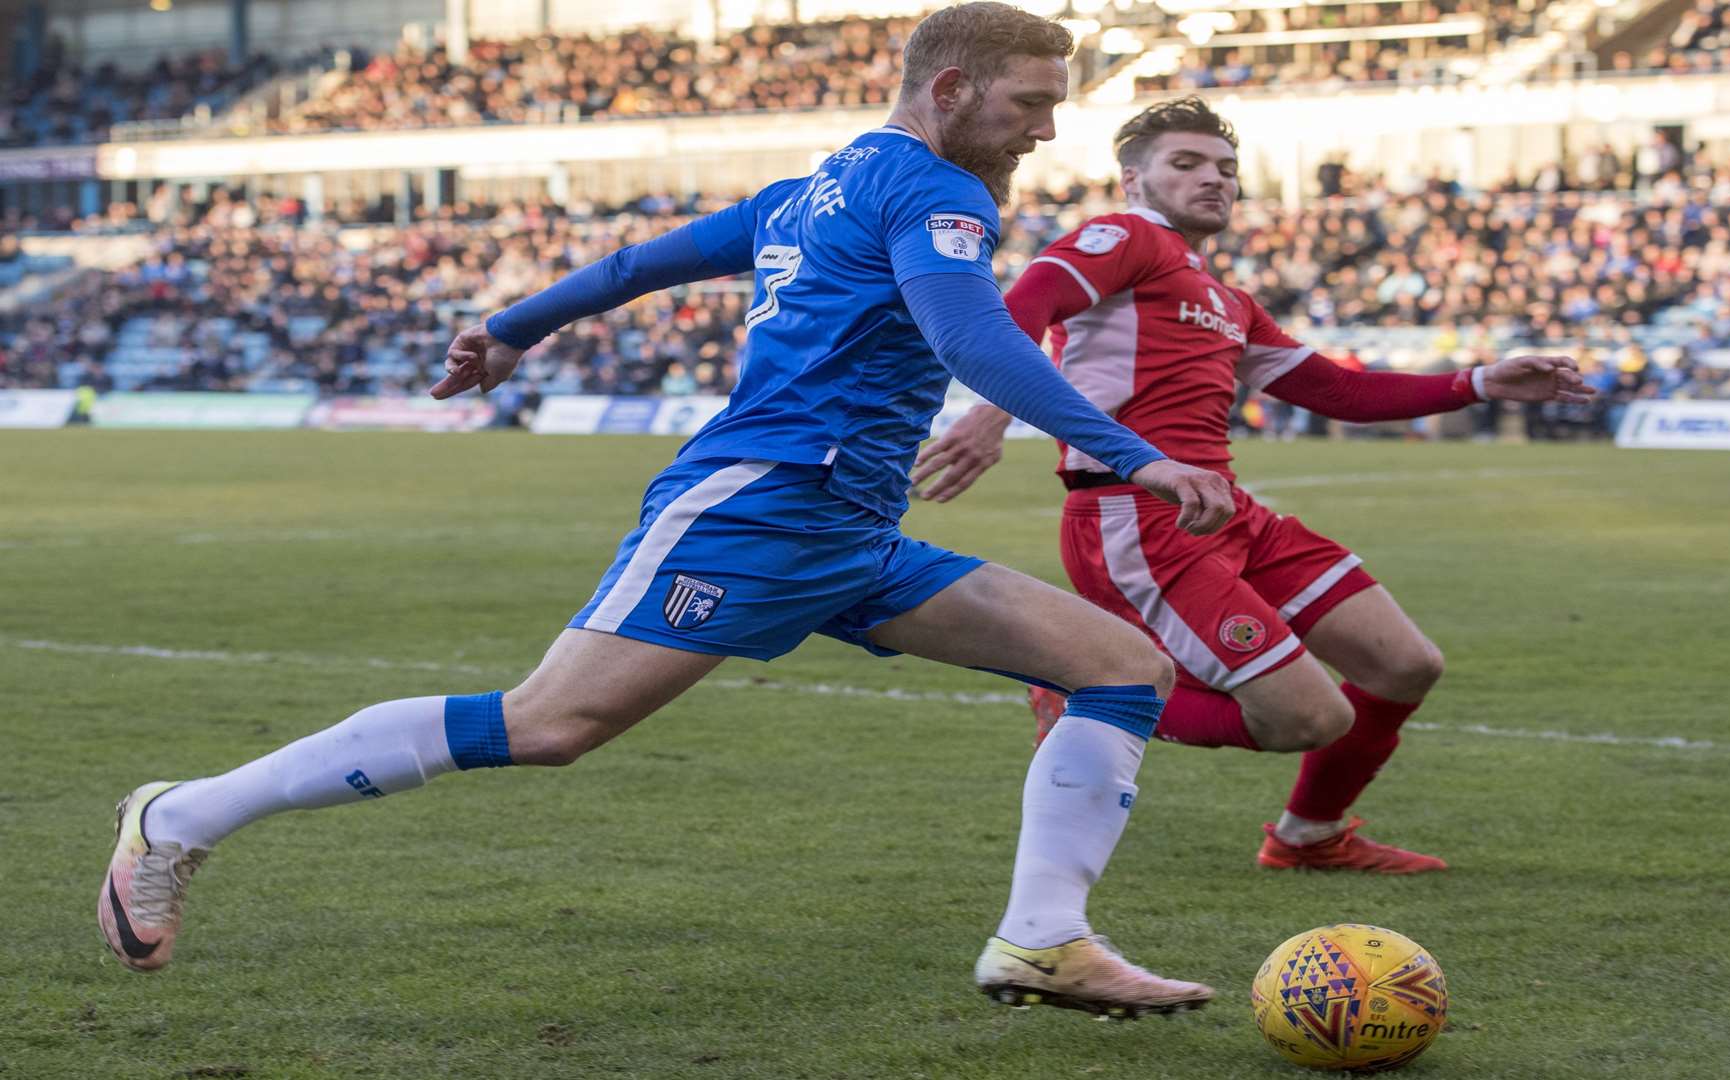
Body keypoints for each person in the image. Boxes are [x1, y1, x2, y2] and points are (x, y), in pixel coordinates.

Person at [97, 4, 1237, 1020]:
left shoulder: (812, 190)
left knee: (1117, 667)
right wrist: (1132, 456)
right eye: (1031, 104)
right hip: (762, 508)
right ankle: (182, 817)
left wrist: (512, 329)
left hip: (845, 529)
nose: (1043, 131)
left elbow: (643, 261)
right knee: (548, 725)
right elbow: (969, 339)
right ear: (949, 90)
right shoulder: (929, 188)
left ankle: (1043, 942)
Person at [912, 97, 1592, 875]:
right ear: (1133, 179)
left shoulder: (1228, 300)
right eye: (1188, 164)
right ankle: (1076, 688)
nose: (1214, 181)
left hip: (1228, 512)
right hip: (1138, 515)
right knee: (1309, 717)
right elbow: (1025, 306)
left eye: (1226, 169)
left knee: (1406, 664)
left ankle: (1308, 839)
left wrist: (1480, 381)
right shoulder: (1125, 238)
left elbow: (1343, 395)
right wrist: (995, 416)